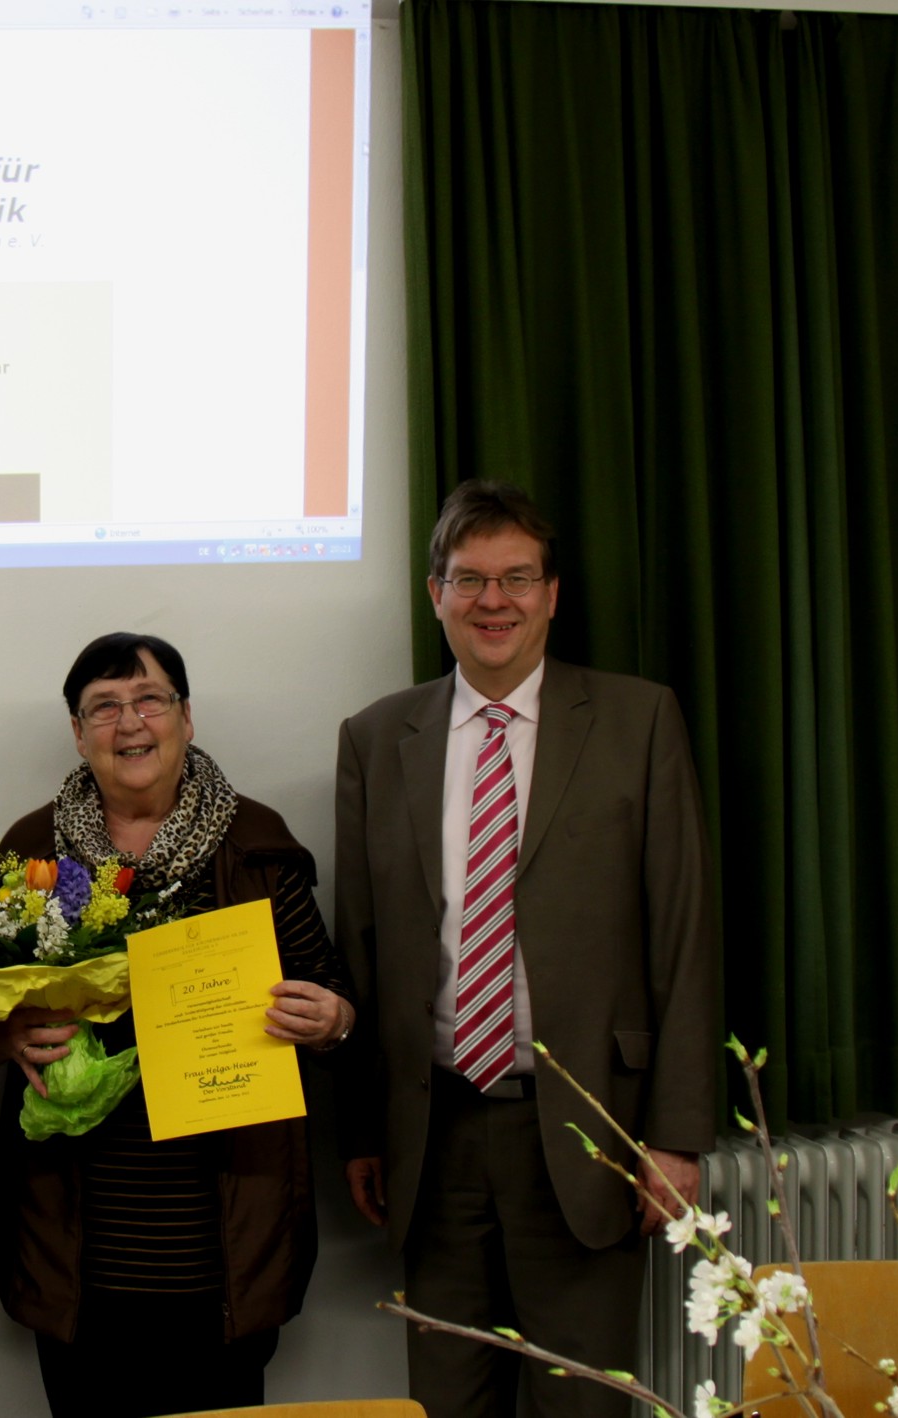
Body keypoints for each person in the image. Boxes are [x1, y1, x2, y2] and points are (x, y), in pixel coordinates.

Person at [333, 480, 717, 1418]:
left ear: (552, 593)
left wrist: (676, 1136)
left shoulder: (638, 722)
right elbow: (363, 948)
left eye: (516, 579)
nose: (492, 601)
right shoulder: (379, 739)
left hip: (591, 1132)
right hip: (436, 1138)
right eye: (469, 580)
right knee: (446, 1404)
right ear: (435, 595)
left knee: (581, 1405)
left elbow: (684, 934)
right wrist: (362, 1130)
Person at [0, 632, 355, 1418]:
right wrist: (2, 1036)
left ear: (186, 717)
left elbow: (335, 1004)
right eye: (104, 707)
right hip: (78, 1249)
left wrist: (332, 1018)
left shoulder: (257, 845)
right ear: (77, 732)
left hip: (224, 1246)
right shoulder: (31, 851)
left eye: (149, 700)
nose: (129, 722)